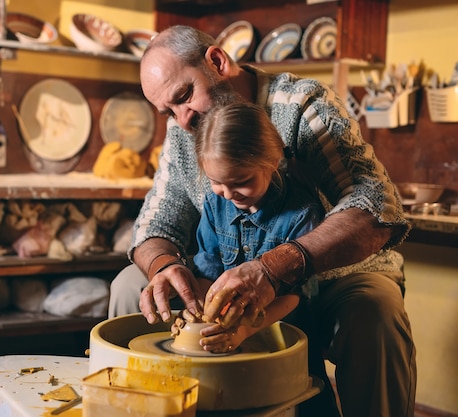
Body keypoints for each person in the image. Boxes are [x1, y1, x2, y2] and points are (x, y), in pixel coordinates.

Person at [108, 25, 416, 417]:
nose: (181, 120)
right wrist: (164, 265)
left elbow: (377, 207)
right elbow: (155, 224)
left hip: (337, 272)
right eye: (168, 110)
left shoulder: (303, 104)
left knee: (376, 313)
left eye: (184, 97)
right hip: (227, 269)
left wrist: (273, 269)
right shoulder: (185, 127)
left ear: (217, 62)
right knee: (132, 286)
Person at [176, 100, 325, 356]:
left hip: (286, 331)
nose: (228, 193)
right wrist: (197, 314)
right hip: (233, 325)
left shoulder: (302, 213)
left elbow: (296, 295)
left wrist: (245, 329)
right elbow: (207, 273)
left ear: (271, 161)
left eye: (241, 181)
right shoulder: (215, 204)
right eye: (216, 182)